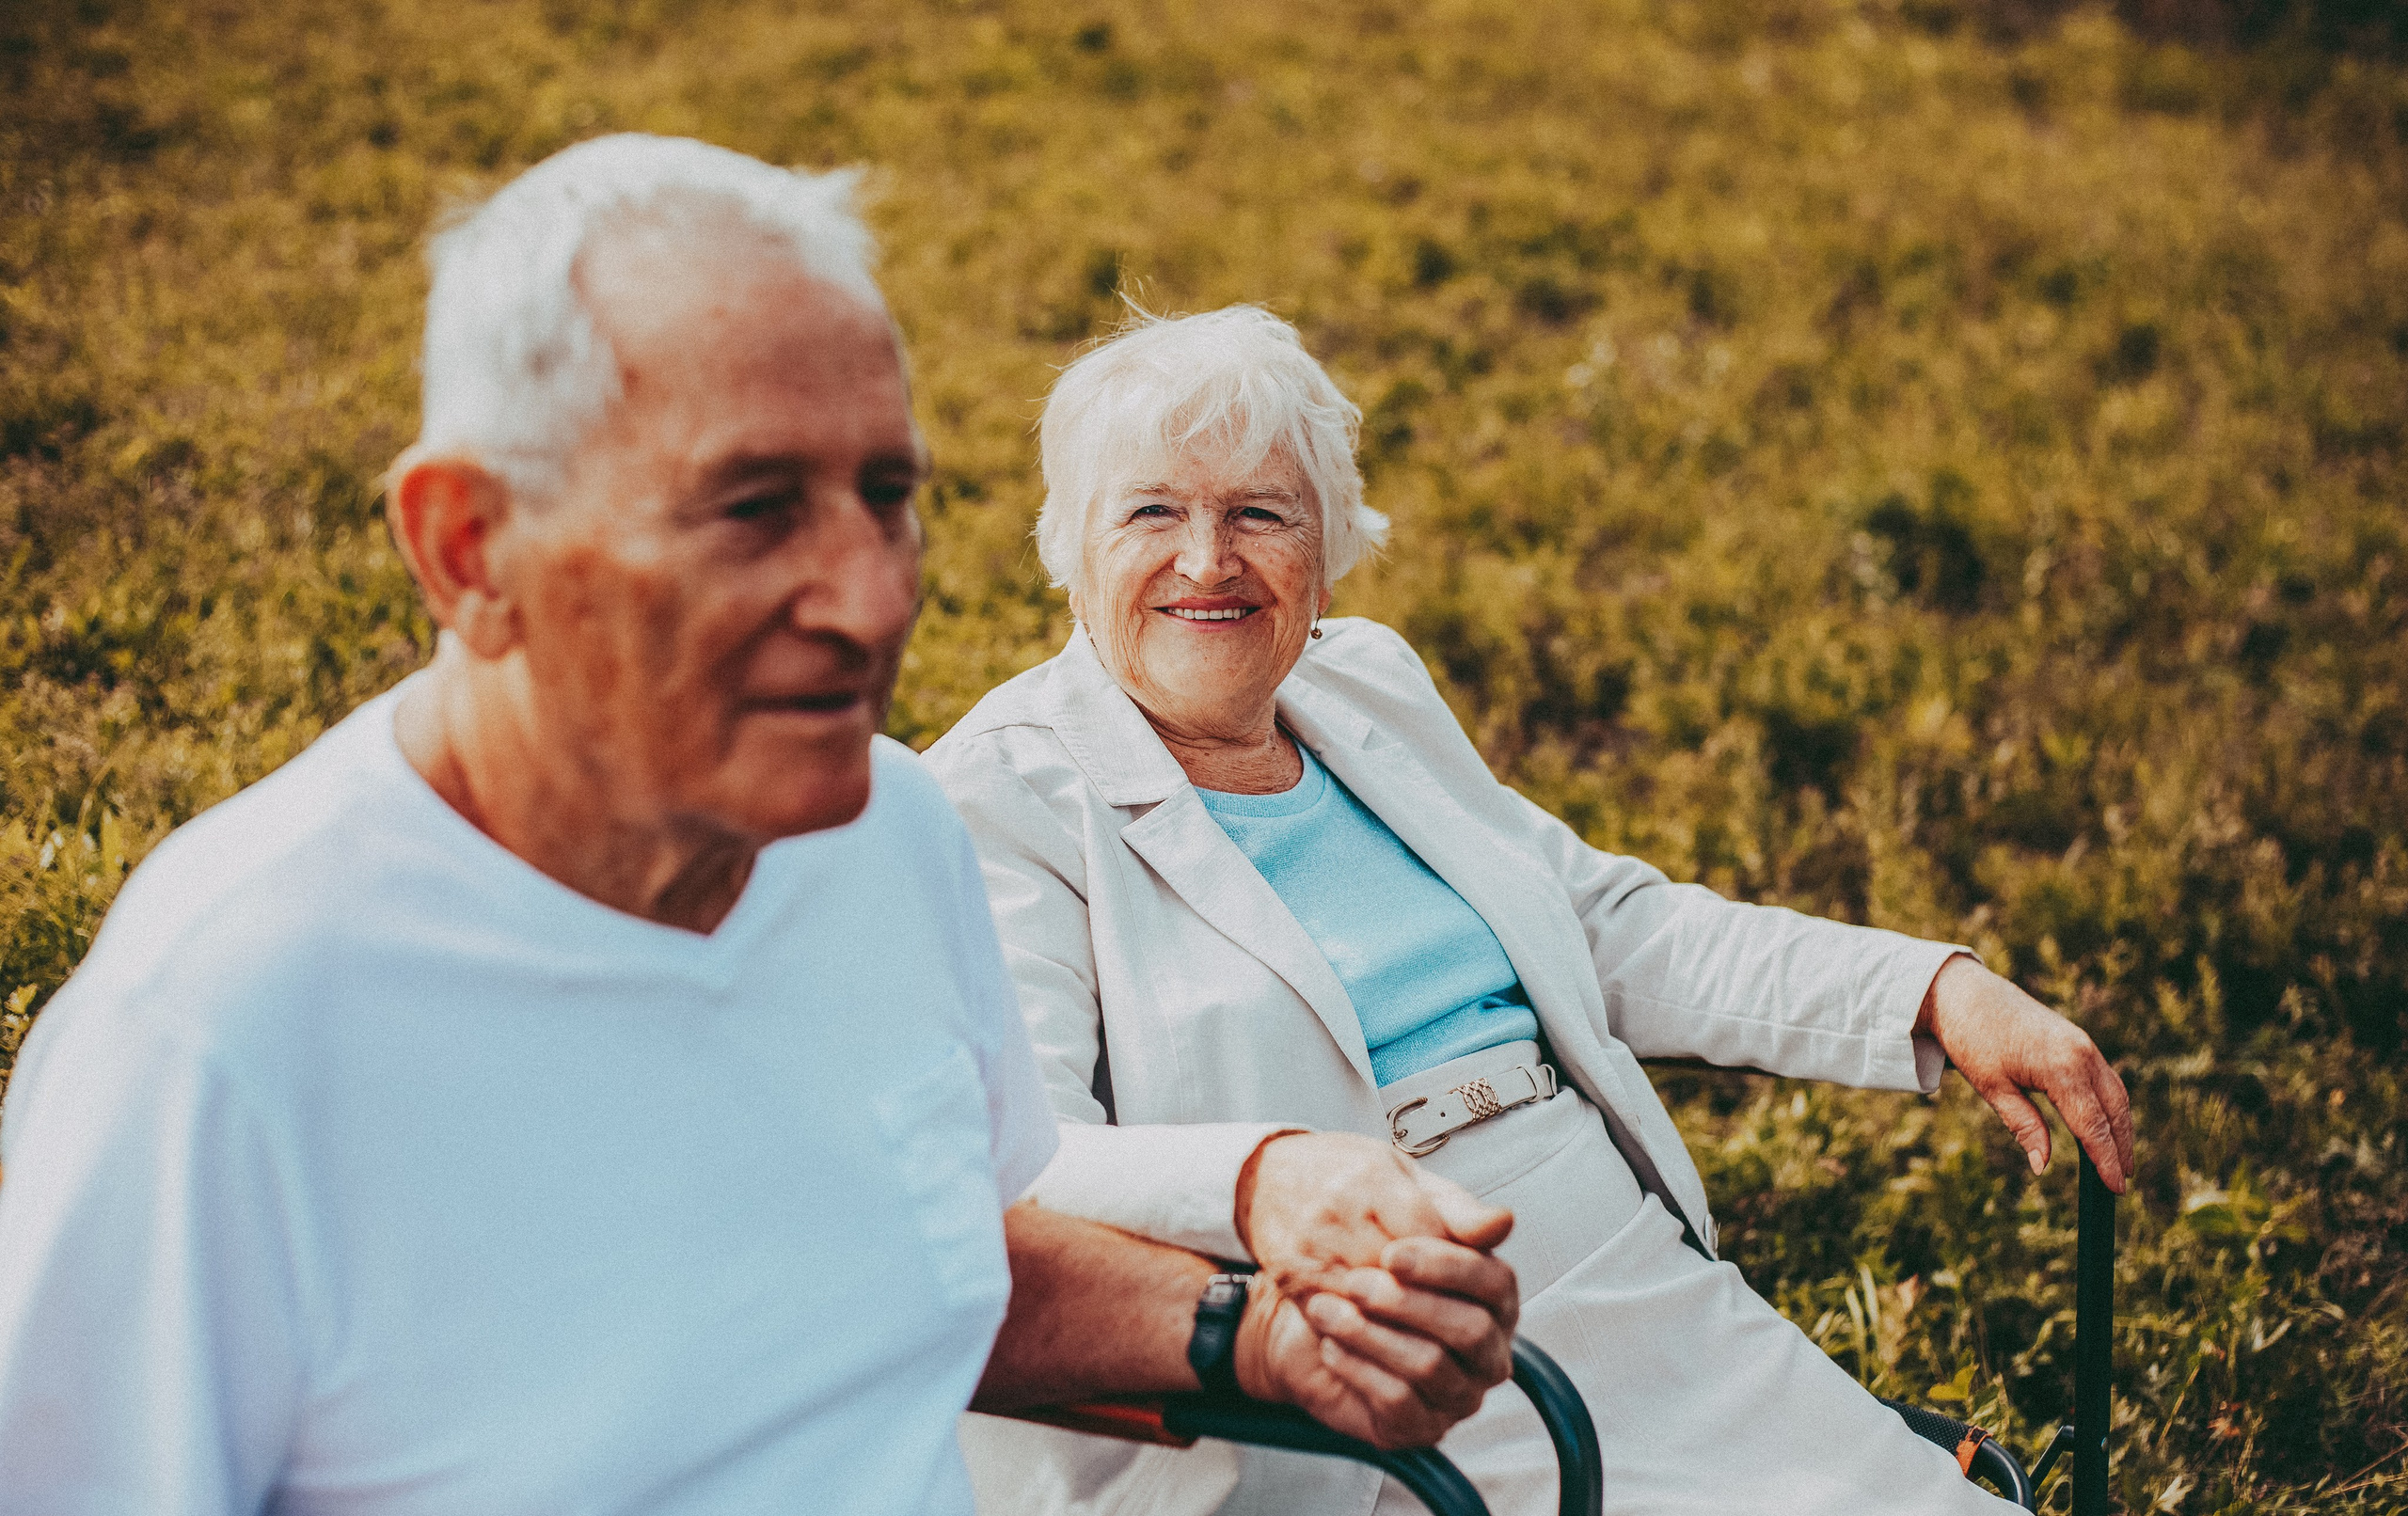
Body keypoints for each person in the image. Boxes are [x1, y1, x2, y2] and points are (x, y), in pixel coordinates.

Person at [0, 139, 1520, 1515]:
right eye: (752, 509)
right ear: (471, 548)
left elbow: (918, 1257)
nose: (869, 599)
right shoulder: (222, 1040)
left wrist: (1246, 1333)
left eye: (885, 493)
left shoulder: (891, 837)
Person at [926, 304, 2139, 1515]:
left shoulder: (1366, 685)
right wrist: (1264, 1176)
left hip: (1623, 1277)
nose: (1207, 562)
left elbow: (1604, 924)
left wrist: (1927, 987)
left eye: (1259, 512)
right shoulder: (997, 800)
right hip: (1360, 1355)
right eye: (1152, 512)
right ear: (1069, 544)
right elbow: (1020, 1166)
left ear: (1328, 542)